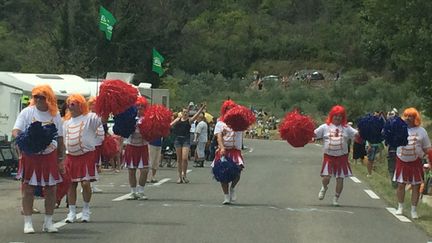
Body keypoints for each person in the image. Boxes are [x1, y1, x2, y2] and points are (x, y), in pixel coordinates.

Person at [13, 85, 64, 233]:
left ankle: (48, 222)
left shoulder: (55, 114)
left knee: (51, 189)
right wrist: (23, 140)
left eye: (42, 97)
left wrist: (62, 158)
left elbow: (60, 138)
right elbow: (16, 130)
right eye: (36, 97)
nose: (39, 99)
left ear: (48, 98)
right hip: (31, 156)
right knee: (28, 189)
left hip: (49, 156)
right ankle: (28, 222)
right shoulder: (27, 112)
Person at [63, 94, 105, 223]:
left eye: (74, 104)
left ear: (81, 105)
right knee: (71, 184)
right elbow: (64, 139)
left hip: (86, 156)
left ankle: (86, 210)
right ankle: (71, 212)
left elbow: (102, 119)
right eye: (69, 104)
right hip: (70, 156)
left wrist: (107, 104)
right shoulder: (66, 122)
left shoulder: (90, 118)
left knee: (86, 183)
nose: (71, 106)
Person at [314, 105, 358, 206]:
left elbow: (357, 135)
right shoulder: (325, 127)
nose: (337, 118)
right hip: (329, 157)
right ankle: (324, 187)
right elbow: (314, 134)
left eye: (340, 116)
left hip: (342, 157)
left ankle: (336, 198)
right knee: (326, 177)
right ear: (331, 116)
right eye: (335, 116)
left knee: (340, 178)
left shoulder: (347, 128)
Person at [393, 108, 431, 219]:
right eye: (406, 116)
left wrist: (429, 162)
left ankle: (414, 210)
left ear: (415, 118)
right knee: (401, 185)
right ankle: (400, 207)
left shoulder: (422, 131)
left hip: (416, 162)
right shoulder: (399, 129)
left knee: (416, 186)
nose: (408, 118)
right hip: (401, 160)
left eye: (411, 116)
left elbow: (427, 148)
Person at [212, 100, 245, 204]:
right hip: (224, 150)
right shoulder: (220, 123)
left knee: (238, 171)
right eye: (227, 109)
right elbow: (219, 136)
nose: (229, 111)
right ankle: (226, 196)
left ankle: (232, 188)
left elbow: (248, 120)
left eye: (232, 109)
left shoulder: (239, 123)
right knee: (222, 174)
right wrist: (221, 147)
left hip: (235, 151)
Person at [170, 103, 205, 183]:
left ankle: (184, 175)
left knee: (184, 158)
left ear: (188, 113)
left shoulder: (189, 120)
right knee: (179, 159)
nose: (185, 113)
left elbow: (196, 115)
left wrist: (201, 109)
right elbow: (170, 125)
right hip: (178, 139)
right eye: (184, 112)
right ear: (181, 113)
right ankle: (180, 177)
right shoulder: (178, 119)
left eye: (186, 112)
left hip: (186, 140)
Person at [124, 97, 150, 200]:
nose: (139, 109)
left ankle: (141, 191)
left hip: (143, 147)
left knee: (144, 170)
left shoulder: (148, 119)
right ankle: (133, 192)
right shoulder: (131, 118)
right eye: (138, 107)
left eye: (142, 107)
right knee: (131, 170)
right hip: (131, 146)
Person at [87, 97, 104, 193]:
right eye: (93, 104)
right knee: (91, 165)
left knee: (96, 165)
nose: (95, 106)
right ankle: (89, 185)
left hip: (98, 144)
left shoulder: (97, 116)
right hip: (92, 145)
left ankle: (93, 185)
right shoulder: (89, 116)